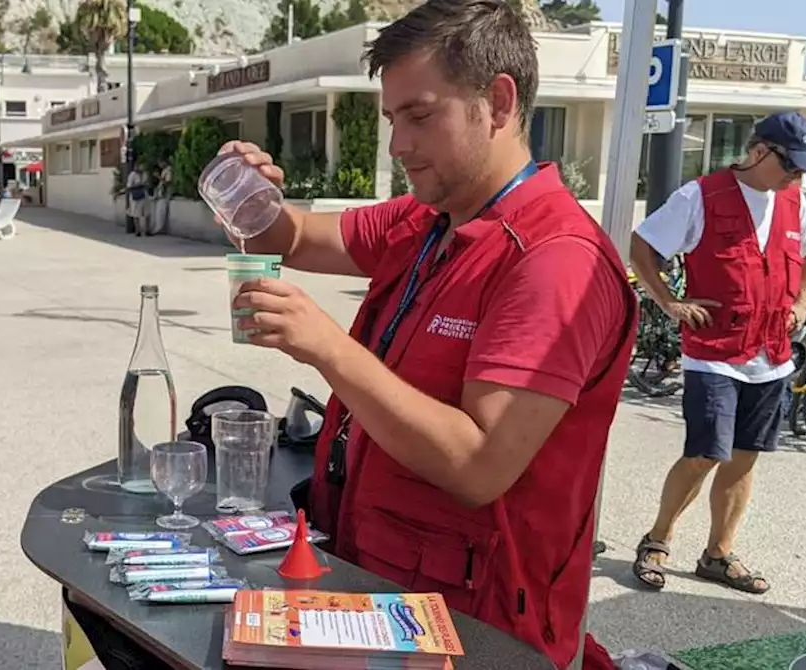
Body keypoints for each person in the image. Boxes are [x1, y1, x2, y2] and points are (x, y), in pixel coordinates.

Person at [224, 1, 636, 667]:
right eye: (392, 119)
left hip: (477, 629)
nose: (398, 145)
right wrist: (250, 194)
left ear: (498, 102)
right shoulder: (427, 220)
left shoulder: (554, 261)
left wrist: (327, 346)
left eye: (419, 115)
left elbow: (478, 467)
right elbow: (290, 236)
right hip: (386, 594)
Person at [630, 111, 806, 595]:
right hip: (714, 351)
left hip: (771, 352)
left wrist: (802, 302)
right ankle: (657, 539)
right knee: (703, 454)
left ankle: (717, 555)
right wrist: (668, 301)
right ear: (759, 152)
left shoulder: (793, 201)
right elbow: (643, 245)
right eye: (792, 165)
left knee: (745, 457)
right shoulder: (700, 196)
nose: (798, 175)